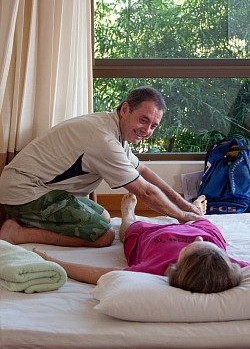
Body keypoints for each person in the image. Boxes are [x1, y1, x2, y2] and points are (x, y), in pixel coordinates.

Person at [0, 86, 202, 248]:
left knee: (104, 216)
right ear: (125, 109)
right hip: (25, 191)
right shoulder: (103, 139)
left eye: (153, 126)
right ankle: (18, 234)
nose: (147, 130)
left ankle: (31, 221)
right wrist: (182, 217)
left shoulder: (115, 129)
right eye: (143, 120)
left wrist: (184, 203)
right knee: (104, 236)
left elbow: (143, 171)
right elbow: (145, 192)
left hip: (46, 189)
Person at [33, 193, 249, 293]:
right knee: (202, 225)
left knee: (127, 231)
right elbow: (202, 239)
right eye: (204, 244)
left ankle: (129, 212)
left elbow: (98, 273)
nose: (198, 241)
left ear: (176, 266)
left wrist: (51, 260)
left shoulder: (156, 270)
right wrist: (200, 230)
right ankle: (194, 211)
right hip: (199, 227)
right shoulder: (224, 264)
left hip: (149, 236)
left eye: (194, 246)